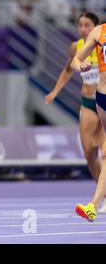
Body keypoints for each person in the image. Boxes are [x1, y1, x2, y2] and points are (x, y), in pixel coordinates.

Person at [46, 12, 106, 212]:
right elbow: (67, 70)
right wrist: (55, 91)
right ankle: (101, 193)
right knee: (89, 151)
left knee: (105, 151)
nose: (83, 29)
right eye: (80, 25)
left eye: (87, 25)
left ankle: (96, 201)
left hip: (102, 99)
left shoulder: (100, 42)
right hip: (90, 102)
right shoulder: (77, 46)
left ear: (95, 26)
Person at [71, 21, 106, 222]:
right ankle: (93, 206)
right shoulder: (99, 31)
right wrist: (80, 65)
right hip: (102, 97)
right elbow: (75, 61)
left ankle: (94, 204)